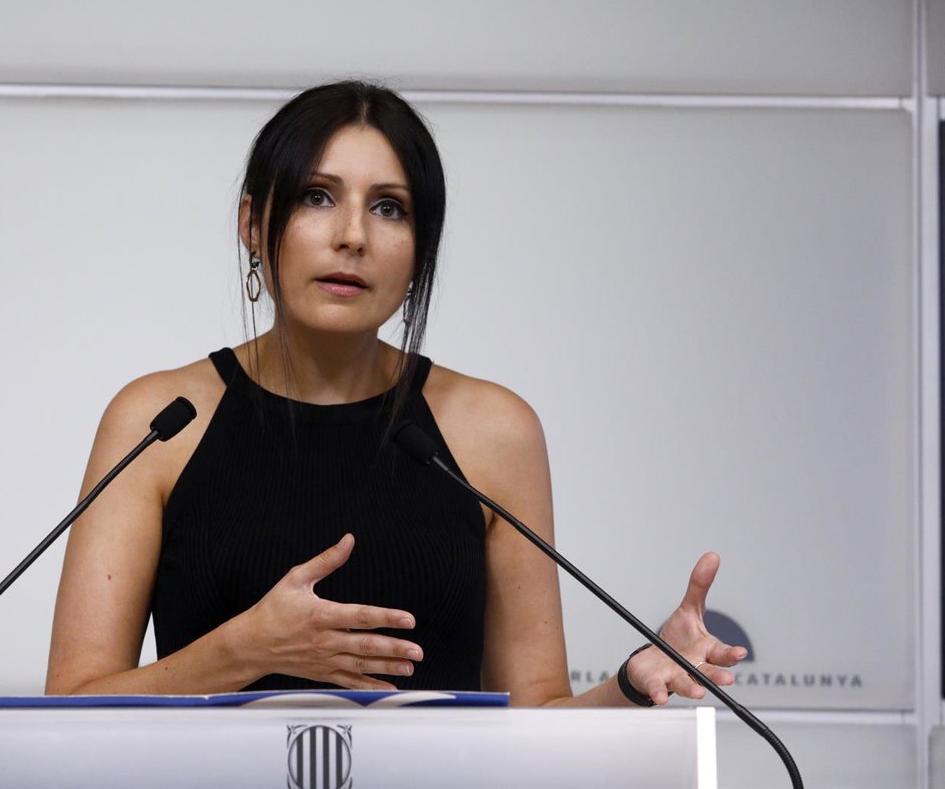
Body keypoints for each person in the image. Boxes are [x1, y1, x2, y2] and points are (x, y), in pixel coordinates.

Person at [45, 81, 747, 707]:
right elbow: (70, 706)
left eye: (389, 208)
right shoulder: (161, 422)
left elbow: (535, 720)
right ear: (253, 224)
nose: (352, 236)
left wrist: (629, 686)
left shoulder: (493, 431)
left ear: (420, 249)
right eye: (318, 197)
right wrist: (242, 651)